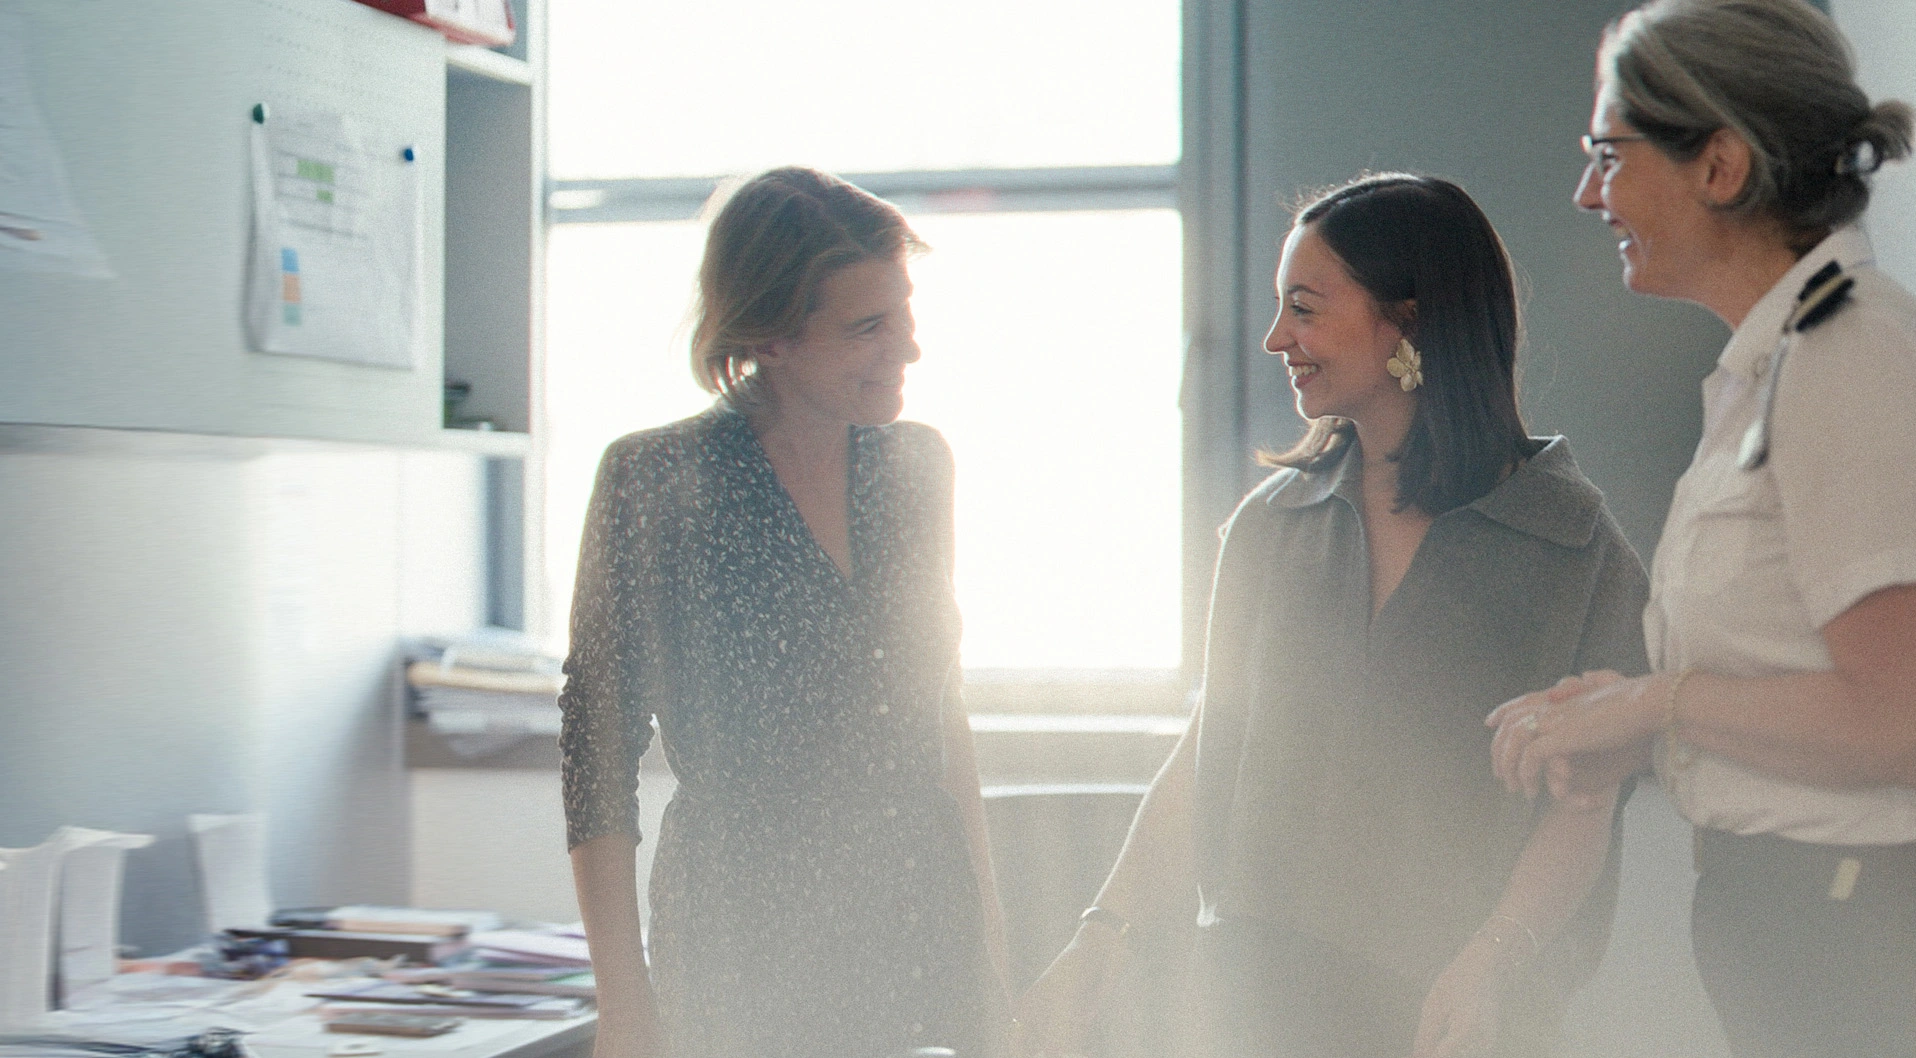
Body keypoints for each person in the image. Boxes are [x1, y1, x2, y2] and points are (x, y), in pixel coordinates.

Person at [1487, 2, 1916, 1057]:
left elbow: (1899, 726)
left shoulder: (1850, 362)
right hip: (1833, 933)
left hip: (1902, 948)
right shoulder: (1774, 369)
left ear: (1718, 164)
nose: (1588, 192)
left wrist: (1653, 703)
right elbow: (1790, 666)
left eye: (1607, 152)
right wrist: (1626, 714)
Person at [1009, 174, 1649, 1058]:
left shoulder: (1573, 546)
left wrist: (1490, 962)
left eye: (1305, 309)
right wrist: (1102, 935)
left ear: (1408, 322)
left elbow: (1584, 809)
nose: (1278, 338)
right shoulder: (1271, 527)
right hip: (1259, 1008)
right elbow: (1210, 747)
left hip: (1457, 1020)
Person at [558, 167, 1006, 1058]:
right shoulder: (655, 480)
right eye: (867, 327)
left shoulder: (917, 465)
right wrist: (623, 1002)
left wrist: (992, 941)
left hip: (919, 925)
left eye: (905, 314)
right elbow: (595, 748)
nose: (906, 350)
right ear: (768, 335)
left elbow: (937, 710)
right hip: (741, 943)